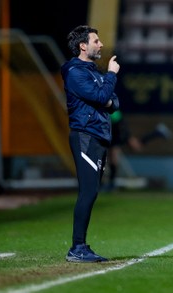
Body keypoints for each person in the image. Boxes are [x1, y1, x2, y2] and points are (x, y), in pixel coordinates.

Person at [61, 25, 120, 263]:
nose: (101, 44)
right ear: (83, 45)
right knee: (88, 191)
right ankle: (77, 247)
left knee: (92, 192)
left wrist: (106, 93)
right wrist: (112, 75)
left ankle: (80, 246)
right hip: (85, 135)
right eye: (96, 41)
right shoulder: (75, 71)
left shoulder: (92, 72)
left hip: (98, 134)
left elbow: (113, 103)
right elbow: (102, 97)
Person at [106, 110, 172, 191]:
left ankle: (112, 183)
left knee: (114, 154)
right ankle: (157, 132)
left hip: (117, 124)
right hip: (115, 124)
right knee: (134, 147)